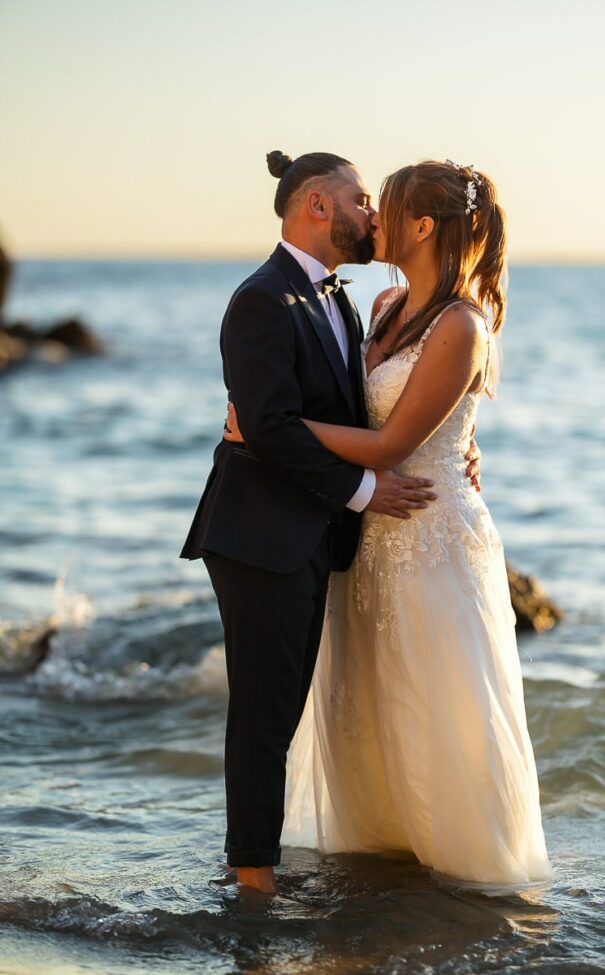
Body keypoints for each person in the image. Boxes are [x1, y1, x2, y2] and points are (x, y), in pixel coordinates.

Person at [227, 159, 551, 893]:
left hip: (428, 534)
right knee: (370, 710)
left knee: (436, 707)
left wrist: (265, 426)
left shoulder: (463, 324)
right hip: (368, 535)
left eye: (387, 206)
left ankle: (468, 893)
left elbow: (390, 443)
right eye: (367, 203)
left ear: (424, 226)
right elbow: (365, 407)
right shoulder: (379, 305)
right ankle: (379, 881)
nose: (375, 219)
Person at [181, 150, 482, 893]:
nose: (369, 215)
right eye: (357, 199)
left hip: (312, 535)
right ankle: (252, 885)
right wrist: (362, 488)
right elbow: (274, 428)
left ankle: (264, 867)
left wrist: (461, 444)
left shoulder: (343, 300)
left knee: (285, 710)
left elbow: (370, 410)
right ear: (317, 205)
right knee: (264, 714)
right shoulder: (264, 297)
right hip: (260, 534)